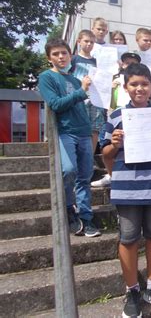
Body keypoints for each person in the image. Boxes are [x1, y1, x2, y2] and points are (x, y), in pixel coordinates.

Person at [102, 63, 151, 317]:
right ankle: (131, 289)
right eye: (134, 84)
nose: (140, 88)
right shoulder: (116, 116)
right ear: (126, 87)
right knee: (128, 239)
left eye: (144, 83)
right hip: (127, 187)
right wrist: (114, 143)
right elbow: (105, 153)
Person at [38, 38, 100, 237]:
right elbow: (56, 104)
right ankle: (67, 205)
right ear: (49, 58)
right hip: (65, 131)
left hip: (84, 131)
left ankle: (86, 217)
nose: (60, 57)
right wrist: (81, 92)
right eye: (55, 54)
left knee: (85, 175)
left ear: (70, 55)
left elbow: (81, 104)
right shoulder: (47, 77)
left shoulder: (74, 80)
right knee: (69, 170)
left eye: (63, 53)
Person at [92, 52, 142, 188]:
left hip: (135, 116)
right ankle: (111, 175)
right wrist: (111, 88)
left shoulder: (141, 80)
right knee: (107, 144)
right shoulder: (114, 78)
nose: (129, 65)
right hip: (115, 114)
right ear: (122, 64)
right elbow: (105, 99)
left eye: (133, 63)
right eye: (127, 62)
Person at [70, 29, 106, 167]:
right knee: (80, 128)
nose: (89, 44)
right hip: (79, 98)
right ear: (79, 41)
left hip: (95, 99)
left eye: (92, 42)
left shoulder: (98, 61)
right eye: (86, 41)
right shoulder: (73, 59)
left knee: (95, 129)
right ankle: (79, 159)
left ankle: (89, 159)